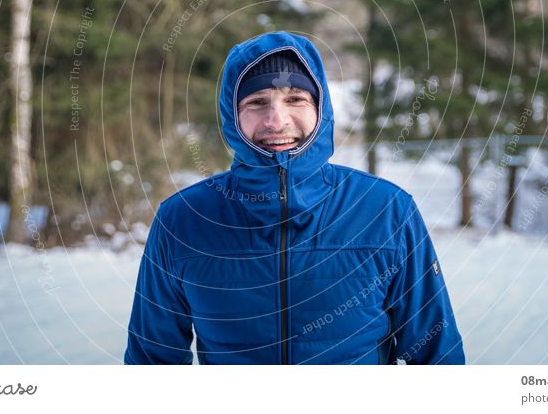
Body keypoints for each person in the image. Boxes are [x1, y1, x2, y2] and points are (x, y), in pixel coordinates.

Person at [124, 31, 465, 364]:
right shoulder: (182, 220)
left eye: (295, 99)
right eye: (257, 102)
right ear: (232, 114)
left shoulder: (386, 211)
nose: (277, 120)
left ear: (320, 109)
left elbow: (437, 358)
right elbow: (151, 364)